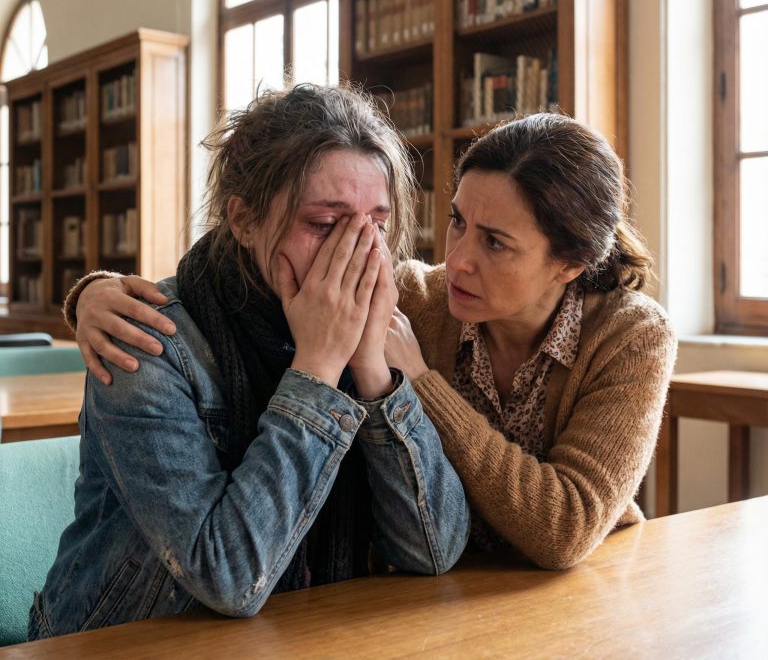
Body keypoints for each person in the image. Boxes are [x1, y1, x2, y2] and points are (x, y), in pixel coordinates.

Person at [67, 111, 677, 574]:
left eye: (495, 242)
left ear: (569, 263)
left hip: (556, 589)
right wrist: (90, 296)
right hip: (436, 597)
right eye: (457, 222)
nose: (457, 260)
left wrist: (409, 382)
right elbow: (214, 290)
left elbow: (557, 530)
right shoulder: (414, 295)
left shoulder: (631, 335)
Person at [29, 84, 470, 640]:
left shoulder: (377, 333)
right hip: (123, 643)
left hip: (301, 637)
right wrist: (317, 369)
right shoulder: (143, 340)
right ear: (243, 219)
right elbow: (229, 576)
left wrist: (373, 375)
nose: (358, 253)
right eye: (325, 225)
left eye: (376, 226)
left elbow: (434, 550)